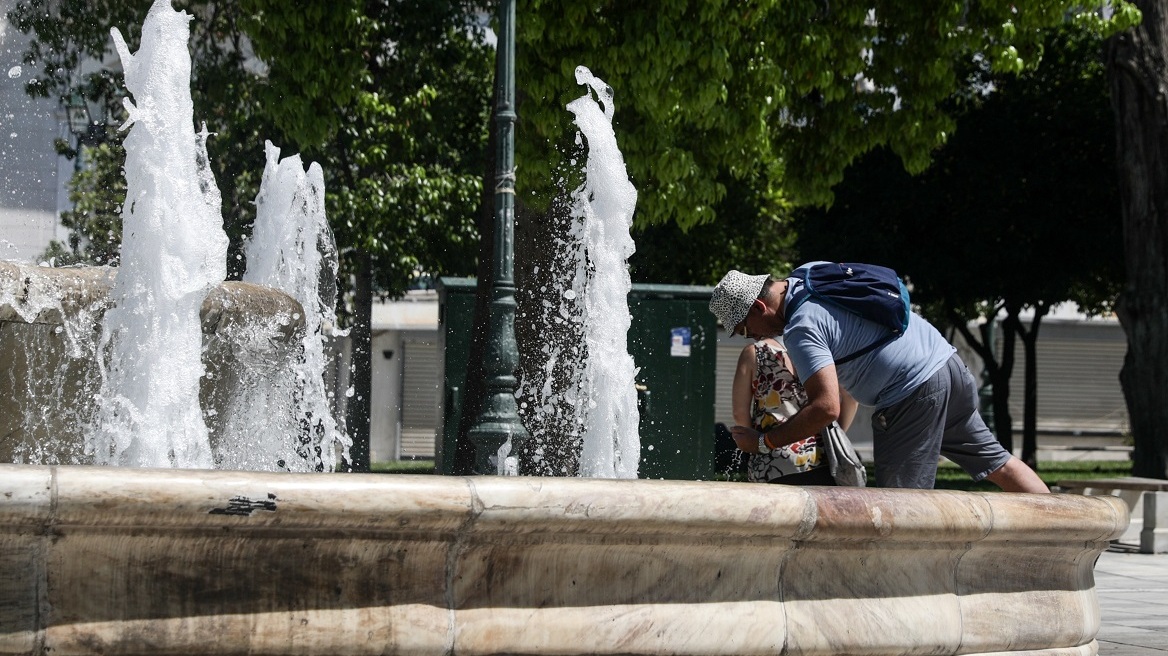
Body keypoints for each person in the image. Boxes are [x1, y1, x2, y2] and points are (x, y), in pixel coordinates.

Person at [708, 265, 1049, 492]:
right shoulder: (809, 274)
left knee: (900, 509)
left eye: (744, 329)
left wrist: (765, 443)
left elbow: (827, 406)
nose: (751, 338)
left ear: (758, 307)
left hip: (910, 394)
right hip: (946, 365)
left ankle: (907, 599)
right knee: (999, 464)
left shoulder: (801, 328)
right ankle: (1063, 541)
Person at [732, 336, 858, 485]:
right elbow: (850, 397)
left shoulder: (754, 353)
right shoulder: (825, 350)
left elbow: (739, 412)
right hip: (822, 457)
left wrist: (755, 444)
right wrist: (836, 432)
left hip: (771, 460)